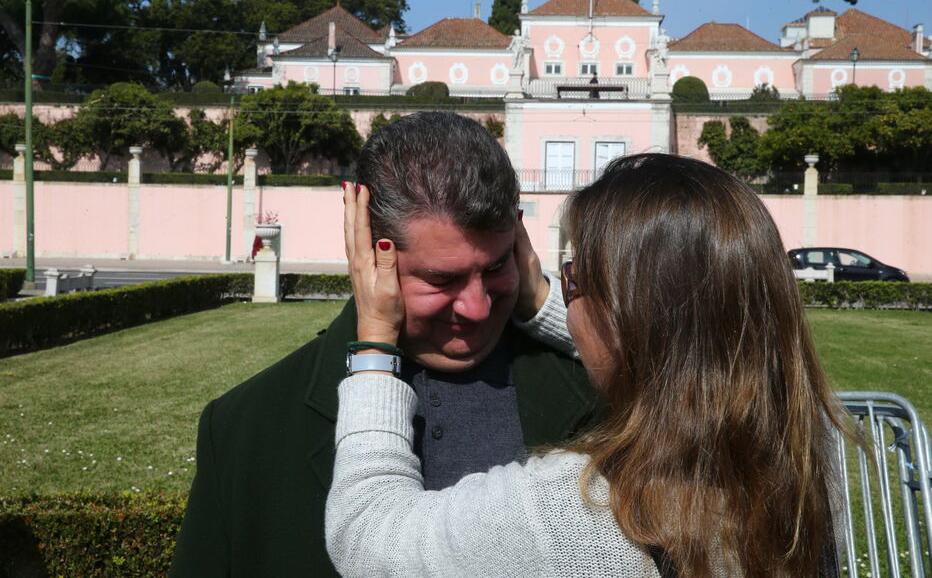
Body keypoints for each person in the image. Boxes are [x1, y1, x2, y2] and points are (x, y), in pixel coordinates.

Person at [327, 153, 856, 576]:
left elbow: (369, 536)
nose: (478, 306)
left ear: (629, 321)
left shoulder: (583, 514)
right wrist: (541, 298)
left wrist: (375, 346)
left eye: (574, 277)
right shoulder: (811, 447)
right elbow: (686, 357)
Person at [169, 112, 598, 576]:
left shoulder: (603, 388)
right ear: (369, 253)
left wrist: (543, 302)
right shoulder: (246, 426)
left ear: (519, 239)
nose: (476, 307)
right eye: (442, 279)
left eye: (494, 268)